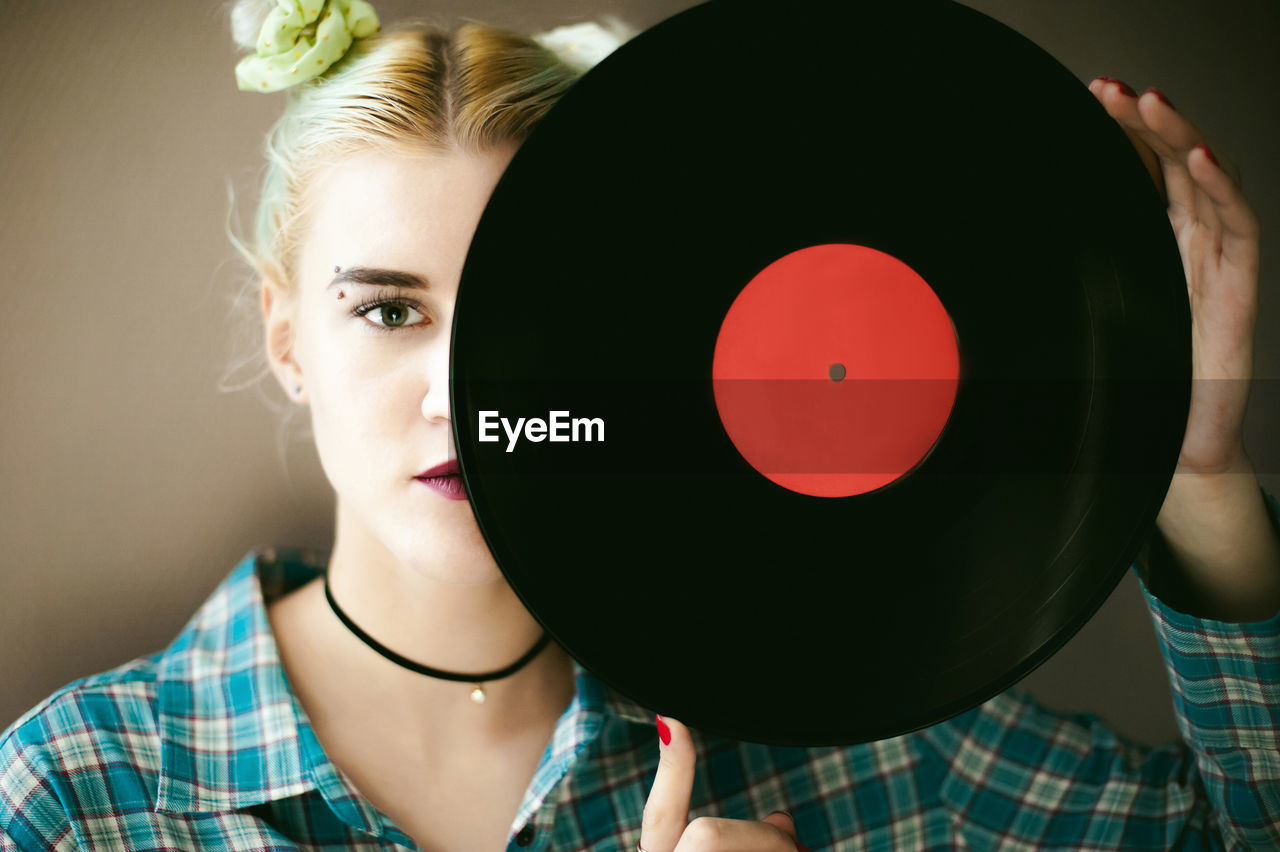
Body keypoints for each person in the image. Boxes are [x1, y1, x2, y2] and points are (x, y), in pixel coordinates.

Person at [3, 2, 1279, 850]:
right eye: (389, 313)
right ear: (288, 337)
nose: (469, 398)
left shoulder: (841, 740)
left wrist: (1192, 471)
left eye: (531, 320)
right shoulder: (80, 795)